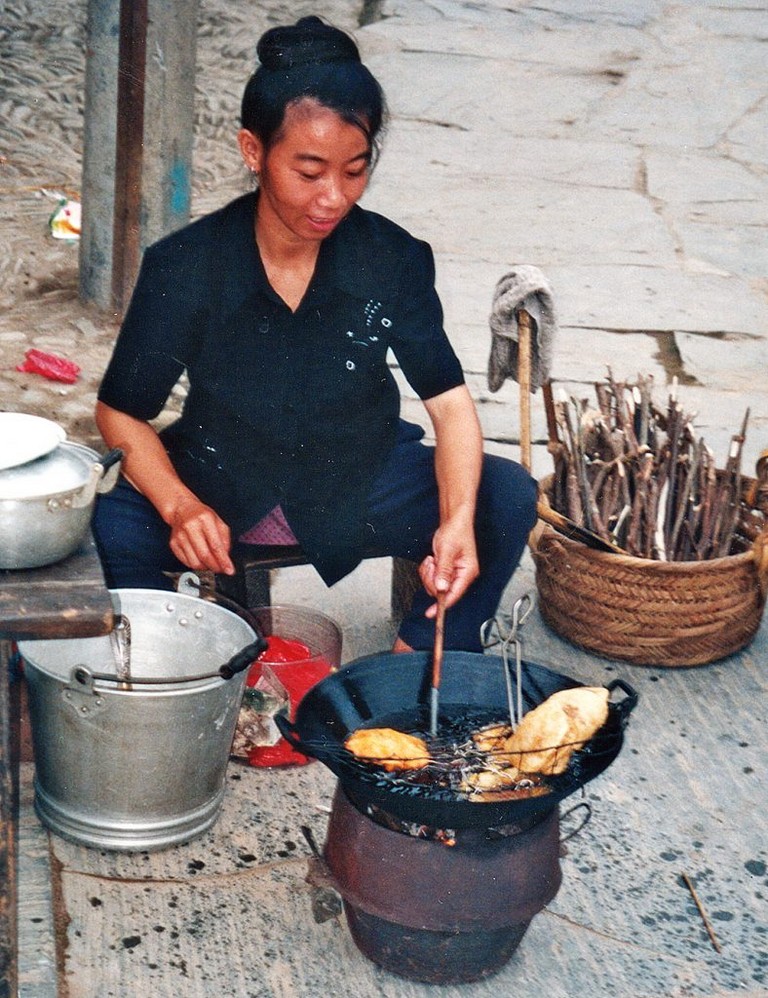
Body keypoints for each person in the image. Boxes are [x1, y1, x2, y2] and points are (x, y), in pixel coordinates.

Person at [92, 15, 536, 652]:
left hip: (358, 481)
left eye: (355, 170)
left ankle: (417, 670)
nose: (333, 197)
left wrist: (458, 519)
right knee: (103, 527)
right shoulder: (187, 266)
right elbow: (120, 412)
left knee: (505, 494)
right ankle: (186, 661)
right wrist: (179, 507)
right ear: (254, 151)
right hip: (221, 485)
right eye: (309, 171)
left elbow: (451, 406)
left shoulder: (391, 257)